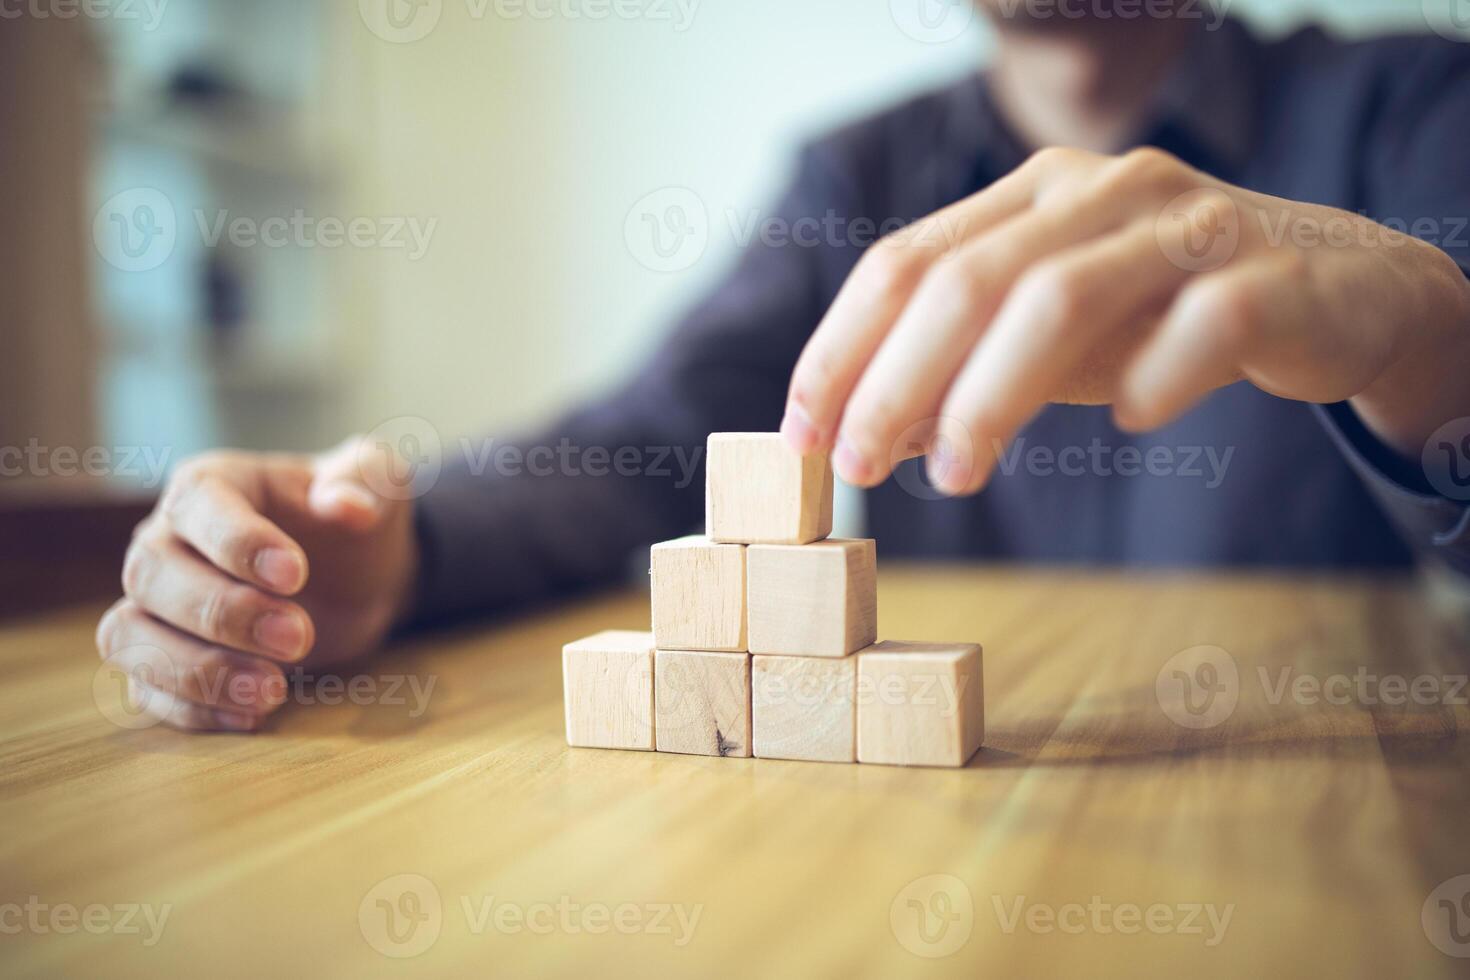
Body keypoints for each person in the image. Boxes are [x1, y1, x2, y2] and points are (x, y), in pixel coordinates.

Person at [95, 3, 1470, 731]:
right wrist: (402, 547)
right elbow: (644, 444)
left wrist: (1437, 343)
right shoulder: (852, 173)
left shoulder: (1418, 102)